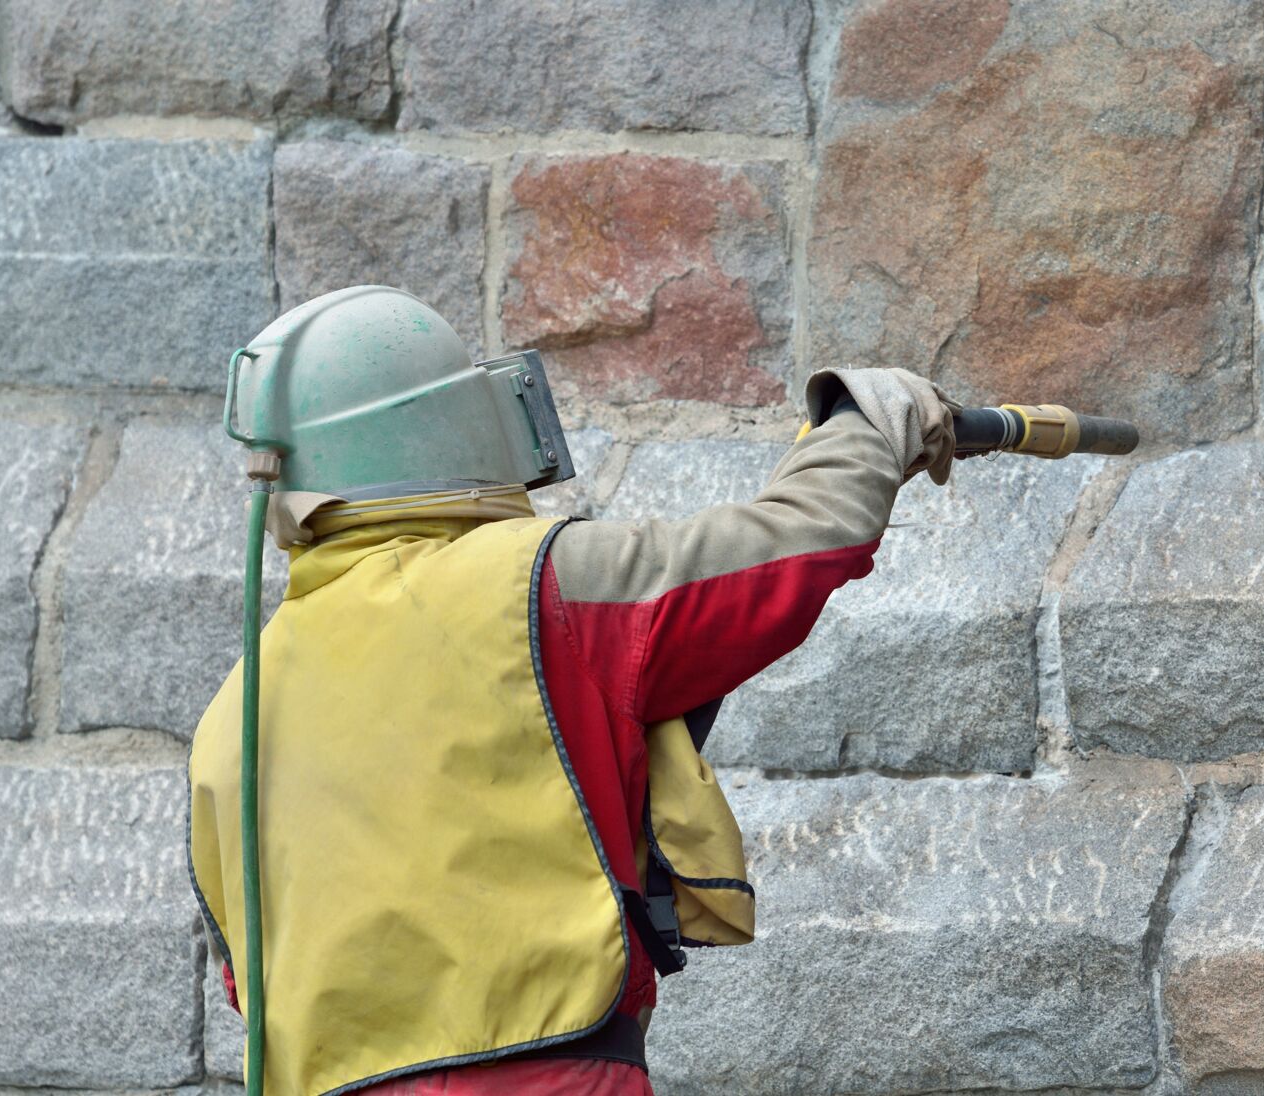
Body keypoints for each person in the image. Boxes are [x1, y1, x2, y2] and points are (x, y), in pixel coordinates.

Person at [188, 285, 958, 1096]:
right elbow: (791, 552)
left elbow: (247, 981)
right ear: (456, 425)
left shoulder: (230, 715)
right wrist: (868, 422)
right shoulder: (534, 586)